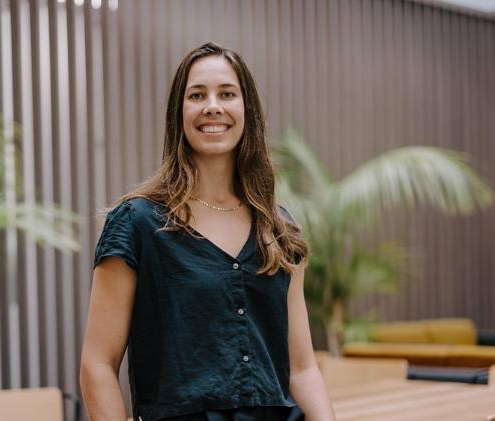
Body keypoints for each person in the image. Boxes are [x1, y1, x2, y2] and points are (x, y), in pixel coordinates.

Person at [79, 42, 335, 421]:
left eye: (227, 94)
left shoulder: (279, 229)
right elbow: (98, 364)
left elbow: (302, 369)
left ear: (246, 110)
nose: (212, 106)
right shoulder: (138, 223)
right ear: (178, 114)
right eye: (197, 95)